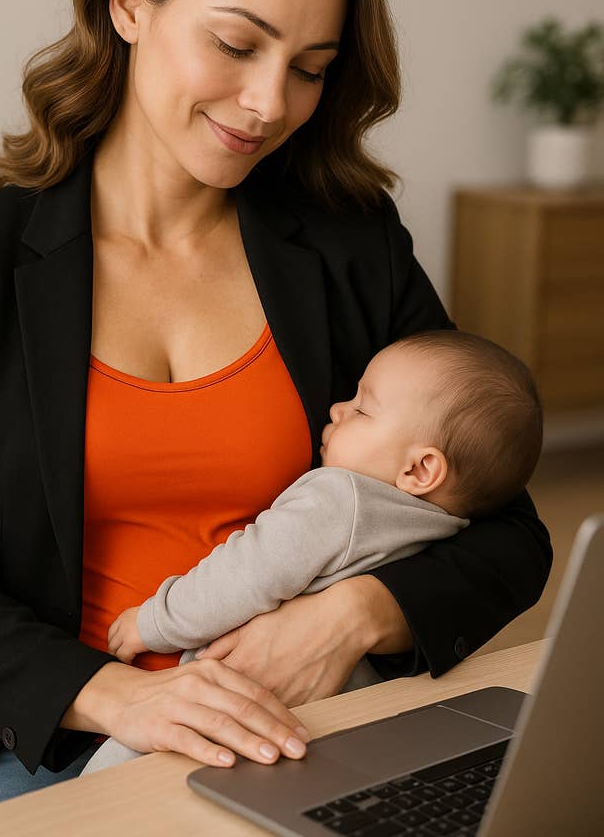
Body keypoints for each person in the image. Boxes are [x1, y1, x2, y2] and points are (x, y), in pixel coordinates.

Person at [0, 0, 552, 830]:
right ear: (128, 3)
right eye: (236, 44)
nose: (269, 102)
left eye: (312, 67)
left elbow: (506, 529)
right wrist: (130, 698)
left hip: (307, 718)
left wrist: (350, 618)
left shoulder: (349, 244)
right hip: (51, 737)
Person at [84, 328, 543, 773]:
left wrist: (155, 622)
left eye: (362, 410)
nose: (338, 409)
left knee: (108, 782)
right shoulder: (446, 524)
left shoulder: (338, 499)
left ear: (421, 469)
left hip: (227, 691)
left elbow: (246, 572)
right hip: (337, 718)